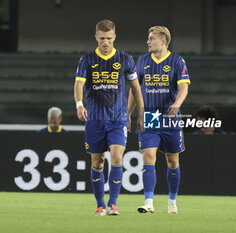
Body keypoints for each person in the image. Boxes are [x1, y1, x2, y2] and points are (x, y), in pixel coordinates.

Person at [74, 19, 144, 216]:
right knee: (97, 162)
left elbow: (136, 88)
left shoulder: (125, 59)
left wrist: (140, 113)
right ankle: (99, 204)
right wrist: (79, 105)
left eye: (109, 38)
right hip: (95, 119)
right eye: (102, 38)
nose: (105, 42)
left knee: (116, 157)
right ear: (96, 37)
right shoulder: (87, 60)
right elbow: (79, 84)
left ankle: (113, 204)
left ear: (115, 37)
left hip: (118, 119)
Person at [128, 26, 190, 214]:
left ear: (163, 41)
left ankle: (172, 201)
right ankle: (148, 202)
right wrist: (127, 113)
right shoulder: (143, 60)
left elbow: (184, 87)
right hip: (150, 116)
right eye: (148, 38)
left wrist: (177, 103)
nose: (147, 41)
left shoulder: (177, 61)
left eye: (151, 38)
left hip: (170, 117)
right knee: (148, 156)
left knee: (172, 160)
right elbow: (135, 89)